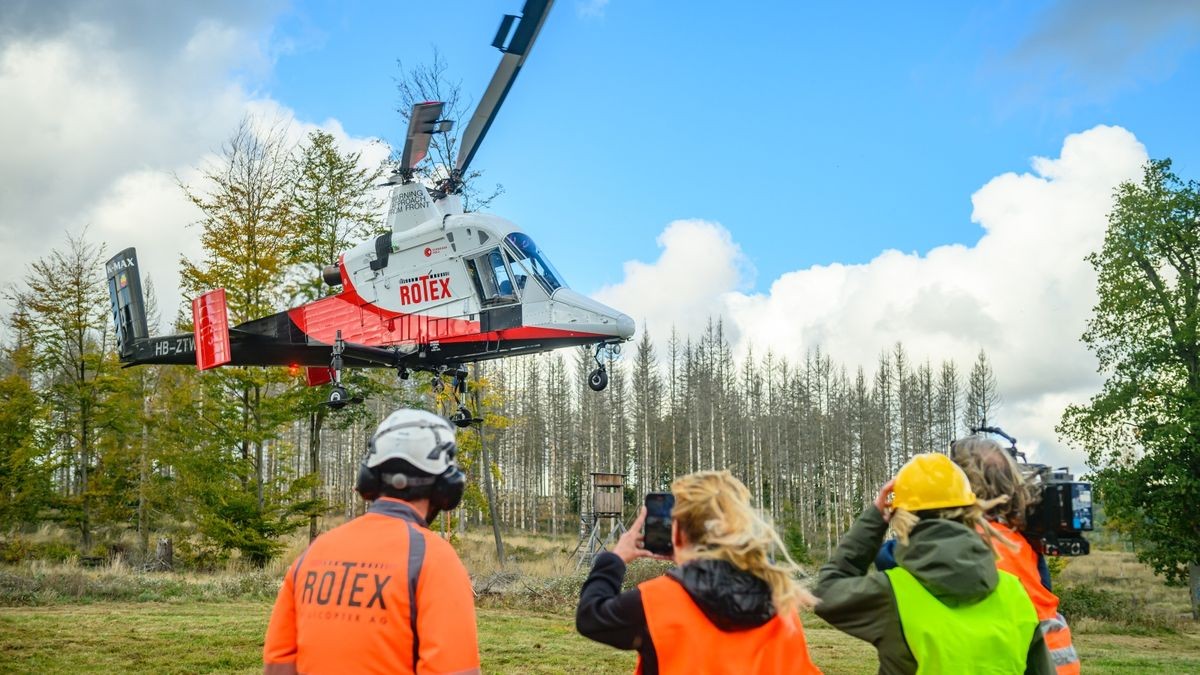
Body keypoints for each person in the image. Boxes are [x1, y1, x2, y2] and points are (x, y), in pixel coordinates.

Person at [263, 409, 479, 675]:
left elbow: (278, 662)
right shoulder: (434, 560)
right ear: (445, 487)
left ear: (370, 478)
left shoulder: (315, 552)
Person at [814, 453, 1054, 674]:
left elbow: (825, 591)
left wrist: (876, 516)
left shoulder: (891, 594)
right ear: (971, 512)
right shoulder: (1015, 595)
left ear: (901, 518)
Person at [575, 470, 821, 674]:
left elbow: (591, 615)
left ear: (678, 532)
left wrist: (615, 558)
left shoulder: (659, 601)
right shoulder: (781, 600)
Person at [951, 436, 1080, 675]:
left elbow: (893, 558)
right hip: (1058, 656)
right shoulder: (1018, 537)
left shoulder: (974, 539)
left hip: (1031, 659)